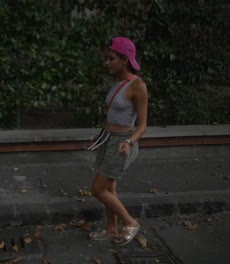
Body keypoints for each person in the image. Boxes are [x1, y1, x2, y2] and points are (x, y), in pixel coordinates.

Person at [88, 37, 148, 245]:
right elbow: (112, 115)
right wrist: (101, 133)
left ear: (124, 60)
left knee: (98, 189)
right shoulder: (118, 83)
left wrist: (129, 142)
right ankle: (111, 229)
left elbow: (142, 125)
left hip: (123, 143)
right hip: (108, 139)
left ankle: (130, 222)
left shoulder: (138, 86)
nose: (107, 62)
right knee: (109, 189)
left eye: (111, 58)